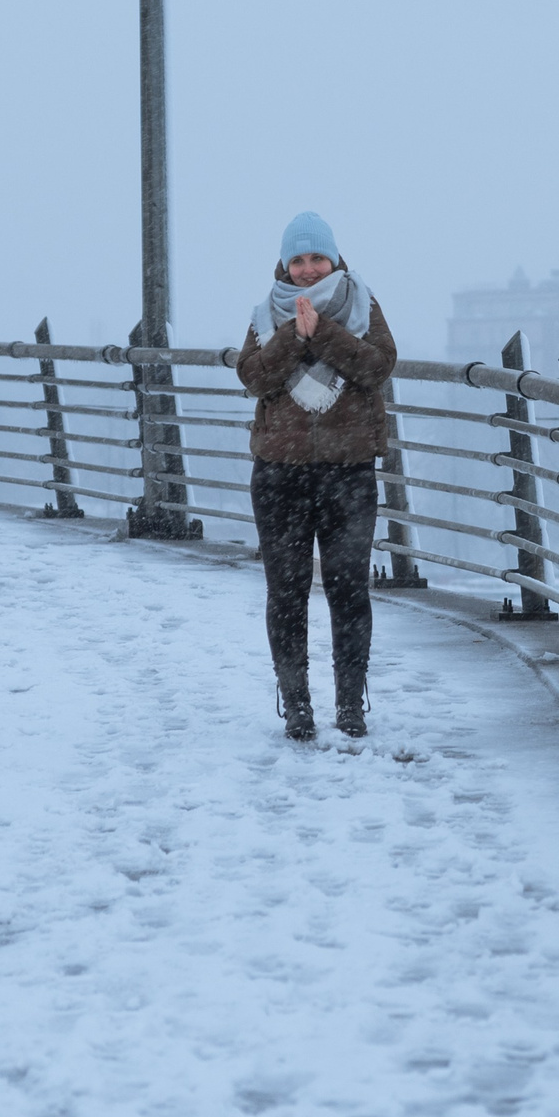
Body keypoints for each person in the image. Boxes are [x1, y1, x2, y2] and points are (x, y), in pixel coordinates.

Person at [236, 211, 398, 741]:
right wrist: (293, 336)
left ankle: (351, 705)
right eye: (298, 260)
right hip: (279, 476)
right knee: (286, 593)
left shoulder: (361, 303)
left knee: (349, 591)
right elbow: (254, 377)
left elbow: (377, 367)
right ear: (285, 264)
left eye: (317, 258)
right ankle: (297, 705)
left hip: (348, 474)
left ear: (334, 259)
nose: (307, 270)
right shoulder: (267, 313)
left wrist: (322, 334)